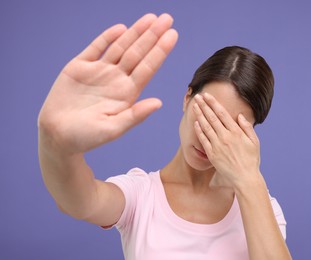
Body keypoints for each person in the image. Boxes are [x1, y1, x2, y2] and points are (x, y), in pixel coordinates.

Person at [38, 13, 292, 260]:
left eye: (228, 128)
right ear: (187, 98)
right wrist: (57, 146)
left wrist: (250, 180)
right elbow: (80, 201)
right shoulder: (140, 196)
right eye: (206, 114)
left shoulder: (260, 207)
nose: (208, 137)